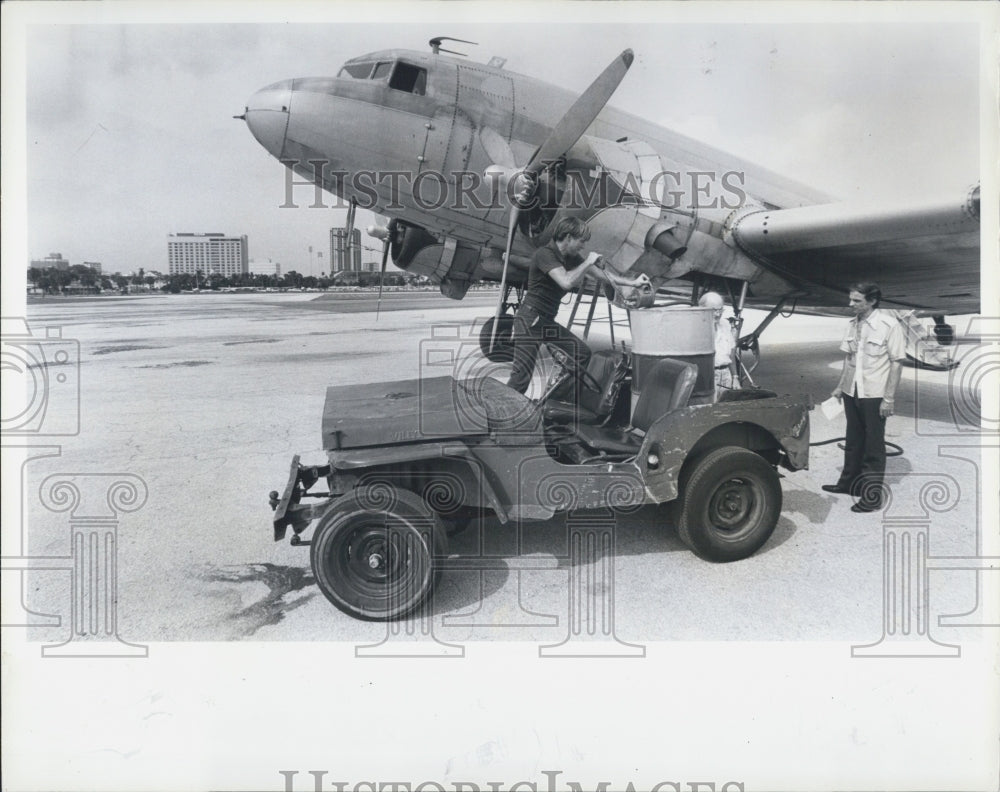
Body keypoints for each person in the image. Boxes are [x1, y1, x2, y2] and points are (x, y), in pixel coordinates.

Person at [506, 217, 651, 395]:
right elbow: (566, 282)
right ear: (568, 237)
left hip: (544, 322)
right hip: (530, 320)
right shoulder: (544, 254)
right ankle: (498, 415)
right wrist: (588, 262)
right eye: (581, 241)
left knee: (581, 354)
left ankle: (555, 399)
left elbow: (603, 276)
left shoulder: (570, 257)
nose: (583, 246)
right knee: (520, 380)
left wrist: (632, 282)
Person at [823, 282, 906, 512]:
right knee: (853, 440)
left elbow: (897, 363)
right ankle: (848, 484)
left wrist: (888, 399)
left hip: (874, 394)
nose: (850, 304)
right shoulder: (852, 324)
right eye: (851, 299)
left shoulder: (888, 325)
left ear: (872, 301)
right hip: (853, 391)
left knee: (873, 446)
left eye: (856, 301)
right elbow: (849, 359)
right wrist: (840, 387)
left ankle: (872, 497)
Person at [699, 291, 738, 399]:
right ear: (702, 309)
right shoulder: (697, 330)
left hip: (726, 375)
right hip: (710, 377)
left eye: (720, 310)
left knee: (726, 410)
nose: (718, 314)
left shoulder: (725, 325)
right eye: (714, 310)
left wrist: (735, 377)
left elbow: (731, 354)